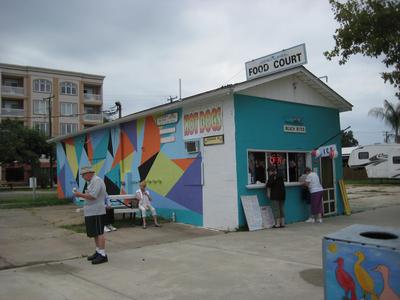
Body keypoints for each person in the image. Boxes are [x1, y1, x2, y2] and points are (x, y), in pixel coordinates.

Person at [73, 166, 108, 264]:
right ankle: (98, 251)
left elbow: (93, 196)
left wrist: (79, 195)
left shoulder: (97, 181)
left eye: (83, 175)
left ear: (89, 173)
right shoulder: (92, 182)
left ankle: (103, 254)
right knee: (95, 232)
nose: (83, 177)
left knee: (99, 232)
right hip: (91, 211)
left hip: (97, 211)